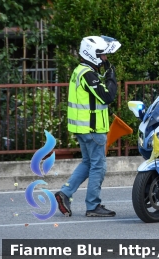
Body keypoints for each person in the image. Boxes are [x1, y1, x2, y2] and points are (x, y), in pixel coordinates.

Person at [55, 35, 121, 217]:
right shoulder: (88, 74)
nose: (104, 58)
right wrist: (111, 78)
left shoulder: (79, 70)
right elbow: (107, 96)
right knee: (98, 167)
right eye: (102, 55)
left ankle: (65, 193)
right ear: (91, 54)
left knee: (87, 163)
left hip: (82, 129)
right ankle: (93, 206)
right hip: (93, 130)